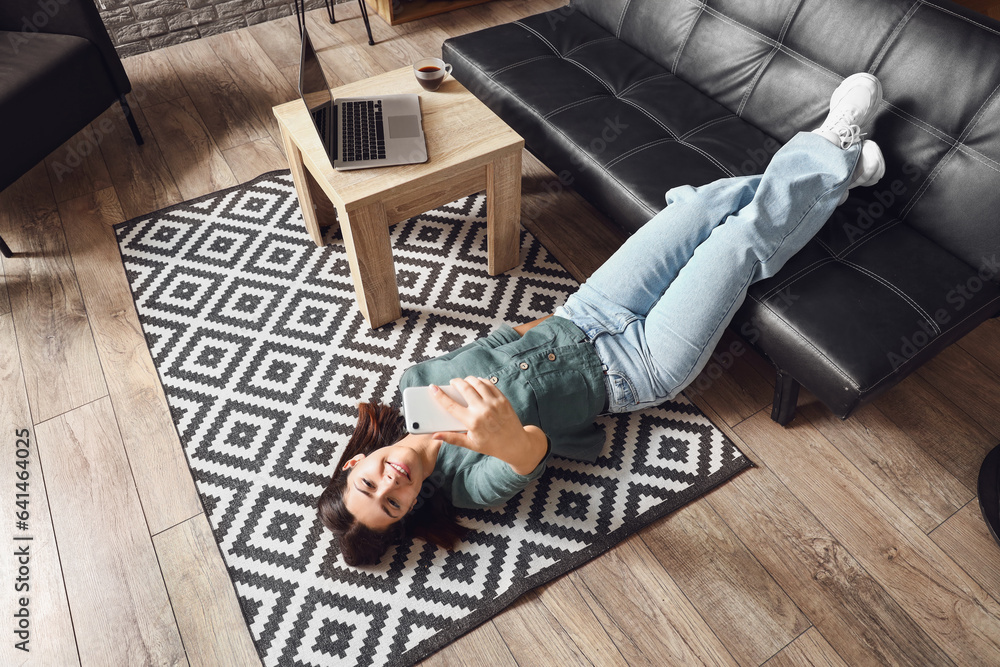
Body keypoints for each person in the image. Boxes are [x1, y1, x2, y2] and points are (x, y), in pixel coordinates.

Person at [318, 73, 887, 565]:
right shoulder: (470, 487)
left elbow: (500, 338)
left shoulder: (415, 386)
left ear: (357, 461)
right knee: (734, 245)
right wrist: (502, 438)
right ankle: (831, 146)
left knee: (698, 206)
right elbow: (529, 454)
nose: (391, 483)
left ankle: (833, 179)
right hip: (635, 367)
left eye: (369, 482)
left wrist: (558, 320)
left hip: (586, 312)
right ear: (410, 510)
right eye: (391, 504)